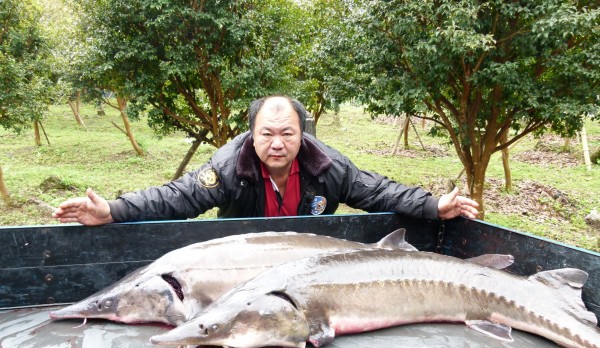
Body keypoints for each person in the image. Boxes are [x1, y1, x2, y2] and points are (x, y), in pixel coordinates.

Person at [53, 95, 478, 225]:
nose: (277, 143)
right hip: (243, 259)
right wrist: (112, 210)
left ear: (303, 134)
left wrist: (432, 205)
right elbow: (176, 197)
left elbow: (378, 189)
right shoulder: (226, 168)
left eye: (287, 133)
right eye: (267, 134)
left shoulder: (328, 166)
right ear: (251, 136)